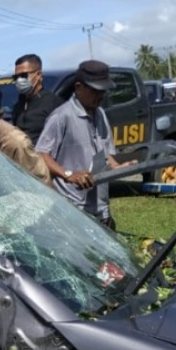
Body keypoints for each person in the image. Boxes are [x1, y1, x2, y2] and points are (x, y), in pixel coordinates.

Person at [36, 60, 121, 228]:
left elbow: (105, 154)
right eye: (95, 90)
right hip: (73, 210)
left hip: (100, 207)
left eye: (103, 90)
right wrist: (69, 174)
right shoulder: (61, 116)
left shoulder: (101, 114)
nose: (100, 95)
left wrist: (119, 167)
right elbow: (41, 154)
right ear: (78, 87)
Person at [10, 53, 61, 145]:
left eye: (23, 76)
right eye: (16, 77)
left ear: (38, 75)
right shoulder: (18, 106)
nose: (19, 80)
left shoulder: (53, 103)